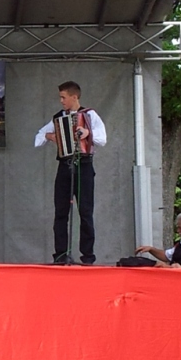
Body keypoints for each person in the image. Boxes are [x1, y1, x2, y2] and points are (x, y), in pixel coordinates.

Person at [35, 81, 107, 265]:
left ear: (74, 97)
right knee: (61, 212)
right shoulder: (58, 117)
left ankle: (87, 257)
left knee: (85, 212)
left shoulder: (89, 115)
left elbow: (102, 139)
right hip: (64, 166)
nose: (61, 101)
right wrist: (50, 136)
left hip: (84, 165)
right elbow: (39, 136)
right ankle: (60, 255)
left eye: (63, 97)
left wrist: (87, 133)